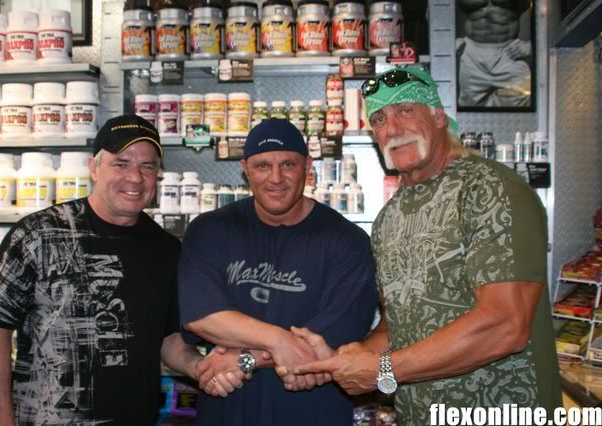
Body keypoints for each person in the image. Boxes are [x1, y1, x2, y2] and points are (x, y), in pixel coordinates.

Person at [295, 67, 563, 425]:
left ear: (438, 117)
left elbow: (505, 325)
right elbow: (397, 325)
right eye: (379, 119)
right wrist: (345, 359)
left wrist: (383, 369)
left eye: (405, 110)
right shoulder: (388, 218)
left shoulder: (490, 189)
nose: (392, 128)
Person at [0, 114, 242, 425]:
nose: (135, 177)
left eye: (147, 166)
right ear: (94, 168)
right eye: (121, 163)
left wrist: (200, 367)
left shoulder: (166, 248)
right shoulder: (38, 235)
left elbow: (168, 340)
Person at [178, 118, 378, 426]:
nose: (276, 178)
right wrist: (278, 340)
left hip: (313, 414)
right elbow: (202, 316)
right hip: (226, 411)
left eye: (288, 164)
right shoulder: (210, 230)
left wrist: (244, 359)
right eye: (262, 165)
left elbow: (324, 342)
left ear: (307, 166)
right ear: (245, 168)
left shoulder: (346, 240)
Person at [457, 0, 532, 107]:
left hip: (509, 52)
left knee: (520, 102)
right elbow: (439, 11)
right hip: (472, 52)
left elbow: (545, 13)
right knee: (469, 106)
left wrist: (531, 46)